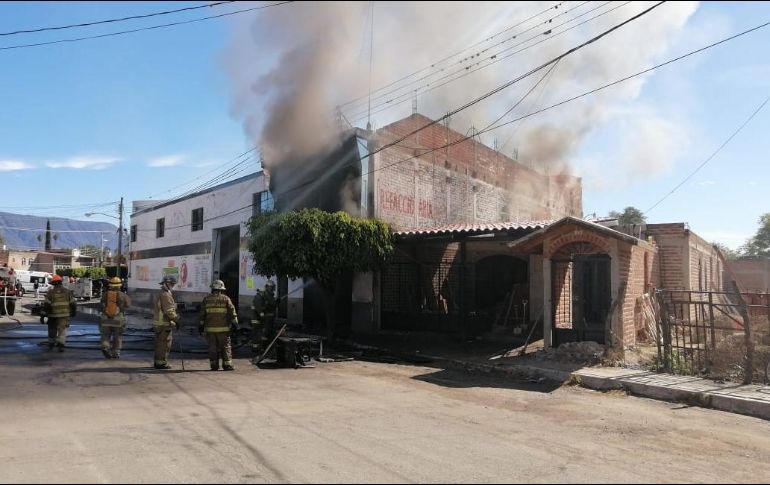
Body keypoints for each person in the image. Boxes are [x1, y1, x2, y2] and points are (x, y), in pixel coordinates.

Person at [199, 280, 238, 371]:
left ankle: (214, 365)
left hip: (210, 330)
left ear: (212, 289)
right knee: (225, 347)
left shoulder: (206, 299)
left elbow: (202, 315)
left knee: (212, 347)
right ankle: (227, 365)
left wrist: (201, 326)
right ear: (221, 289)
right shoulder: (226, 299)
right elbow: (232, 312)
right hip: (223, 330)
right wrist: (235, 323)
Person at [99, 277, 131, 359]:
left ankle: (105, 347)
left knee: (105, 335)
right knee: (118, 336)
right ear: (120, 285)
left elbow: (101, 304)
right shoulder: (123, 295)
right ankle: (116, 352)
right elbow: (128, 305)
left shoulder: (105, 294)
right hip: (118, 319)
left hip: (105, 318)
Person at [42, 274, 76, 352]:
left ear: (53, 283)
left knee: (52, 329)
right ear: (61, 282)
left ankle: (51, 344)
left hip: (52, 315)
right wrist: (73, 312)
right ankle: (61, 345)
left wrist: (43, 314)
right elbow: (73, 304)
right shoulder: (67, 292)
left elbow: (46, 304)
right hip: (64, 315)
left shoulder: (51, 292)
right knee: (62, 330)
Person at [152, 275, 179, 370]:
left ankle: (157, 362)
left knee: (159, 343)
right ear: (168, 283)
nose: (173, 286)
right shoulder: (165, 295)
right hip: (164, 324)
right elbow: (169, 311)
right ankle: (161, 363)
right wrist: (177, 320)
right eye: (172, 284)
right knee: (164, 344)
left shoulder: (160, 293)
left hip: (158, 323)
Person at [250, 280, 277, 361]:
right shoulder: (259, 297)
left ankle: (259, 348)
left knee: (261, 334)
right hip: (256, 319)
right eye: (271, 287)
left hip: (260, 319)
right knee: (257, 334)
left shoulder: (265, 296)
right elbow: (260, 309)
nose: (272, 289)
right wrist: (263, 313)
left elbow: (271, 305)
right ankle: (256, 348)